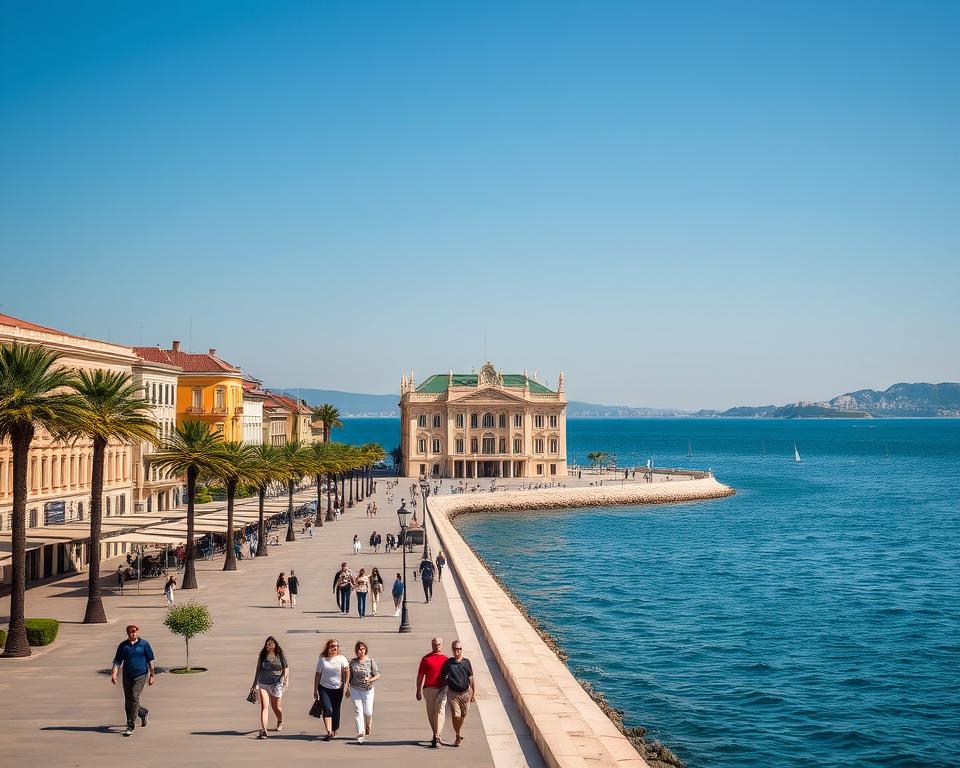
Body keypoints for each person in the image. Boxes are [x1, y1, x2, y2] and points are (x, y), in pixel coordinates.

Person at [111, 624, 155, 737]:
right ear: (127, 633)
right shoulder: (123, 646)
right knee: (129, 701)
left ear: (137, 632)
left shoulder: (144, 644)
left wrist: (151, 675)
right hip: (127, 676)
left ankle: (130, 726)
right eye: (131, 632)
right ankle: (143, 713)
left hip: (140, 675)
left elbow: (151, 660)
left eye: (135, 631)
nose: (133, 633)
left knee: (134, 697)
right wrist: (114, 674)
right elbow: (117, 661)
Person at [252, 636, 289, 739]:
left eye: (271, 644)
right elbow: (258, 669)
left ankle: (280, 719)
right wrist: (254, 684)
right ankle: (264, 729)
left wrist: (286, 681)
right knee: (264, 706)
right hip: (263, 683)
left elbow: (286, 668)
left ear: (275, 645)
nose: (269, 646)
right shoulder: (262, 654)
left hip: (276, 683)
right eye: (267, 644)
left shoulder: (280, 654)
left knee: (276, 707)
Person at [440, 641, 476, 747]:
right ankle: (457, 735)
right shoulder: (449, 663)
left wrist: (473, 693)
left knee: (462, 716)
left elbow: (471, 678)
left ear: (461, 650)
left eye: (459, 649)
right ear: (452, 649)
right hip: (453, 694)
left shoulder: (466, 662)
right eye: (455, 649)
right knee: (456, 715)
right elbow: (443, 676)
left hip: (465, 694)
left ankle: (458, 732)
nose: (457, 651)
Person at [416, 637, 448, 748]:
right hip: (428, 689)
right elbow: (420, 676)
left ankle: (437, 734)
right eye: (434, 645)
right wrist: (418, 690)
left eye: (438, 645)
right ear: (431, 645)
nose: (436, 647)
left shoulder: (446, 659)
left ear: (441, 645)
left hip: (442, 690)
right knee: (431, 714)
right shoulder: (426, 659)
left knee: (440, 710)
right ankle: (435, 733)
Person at [346, 640, 380, 744]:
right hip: (355, 689)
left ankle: (368, 724)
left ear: (365, 650)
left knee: (368, 712)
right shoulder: (352, 662)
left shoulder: (370, 661)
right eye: (358, 649)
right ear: (356, 651)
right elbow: (348, 677)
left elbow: (377, 675)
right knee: (358, 712)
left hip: (368, 690)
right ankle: (360, 733)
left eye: (362, 649)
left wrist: (370, 680)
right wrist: (347, 689)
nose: (360, 651)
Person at [314, 639, 349, 741]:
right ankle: (329, 731)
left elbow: (347, 672)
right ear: (328, 648)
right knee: (328, 709)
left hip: (338, 689)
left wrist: (346, 685)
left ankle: (334, 729)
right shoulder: (322, 659)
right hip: (324, 688)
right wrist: (315, 689)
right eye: (333, 646)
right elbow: (317, 674)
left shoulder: (342, 659)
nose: (335, 648)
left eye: (337, 646)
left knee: (336, 710)